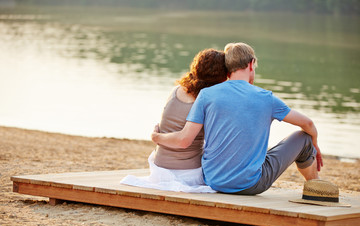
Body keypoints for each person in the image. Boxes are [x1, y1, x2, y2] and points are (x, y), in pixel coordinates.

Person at [151, 42, 323, 195]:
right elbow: (307, 123)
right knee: (304, 138)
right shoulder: (266, 97)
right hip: (250, 185)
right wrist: (315, 144)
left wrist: (157, 137)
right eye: (255, 67)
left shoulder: (206, 94)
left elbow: (185, 138)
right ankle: (315, 189)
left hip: (213, 180)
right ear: (250, 64)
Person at [121, 48, 228, 192]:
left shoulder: (176, 90)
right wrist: (156, 137)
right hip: (188, 174)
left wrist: (158, 137)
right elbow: (184, 141)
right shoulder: (207, 101)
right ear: (221, 76)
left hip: (159, 168)